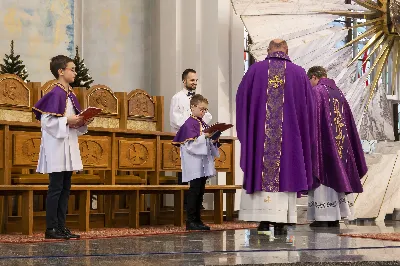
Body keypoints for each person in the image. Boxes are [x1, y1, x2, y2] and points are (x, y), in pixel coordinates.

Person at [236, 39, 316, 233]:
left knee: (261, 169)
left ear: (268, 50)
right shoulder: (299, 73)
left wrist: (250, 131)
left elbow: (241, 101)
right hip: (289, 141)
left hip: (260, 140)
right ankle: (281, 221)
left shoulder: (255, 70)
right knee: (286, 170)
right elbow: (310, 110)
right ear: (286, 50)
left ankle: (262, 221)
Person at [32, 55, 93, 239]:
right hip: (56, 145)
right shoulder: (54, 93)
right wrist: (68, 120)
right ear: (61, 71)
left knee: (66, 187)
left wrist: (82, 120)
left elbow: (73, 121)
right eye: (71, 69)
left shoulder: (71, 94)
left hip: (68, 143)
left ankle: (61, 226)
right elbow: (47, 122)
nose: (75, 72)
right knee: (56, 187)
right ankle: (51, 228)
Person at [306, 66, 367, 227]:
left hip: (324, 144)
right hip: (341, 146)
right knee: (338, 177)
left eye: (309, 81)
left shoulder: (317, 91)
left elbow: (311, 119)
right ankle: (335, 217)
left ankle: (323, 217)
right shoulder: (338, 92)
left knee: (324, 176)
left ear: (313, 77)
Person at [172, 94, 220, 231]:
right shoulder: (189, 123)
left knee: (200, 191)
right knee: (194, 191)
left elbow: (205, 141)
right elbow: (189, 145)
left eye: (205, 110)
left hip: (202, 162)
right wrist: (204, 137)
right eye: (201, 109)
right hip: (193, 162)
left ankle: (198, 220)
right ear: (193, 107)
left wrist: (213, 139)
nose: (204, 112)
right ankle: (191, 220)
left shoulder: (202, 123)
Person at [170, 69, 212, 208]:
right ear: (184, 81)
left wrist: (199, 116)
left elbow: (207, 116)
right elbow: (175, 120)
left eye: (196, 80)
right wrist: (191, 120)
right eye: (191, 80)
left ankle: (196, 205)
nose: (194, 83)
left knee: (199, 173)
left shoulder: (199, 99)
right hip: (184, 139)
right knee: (184, 173)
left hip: (198, 140)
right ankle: (183, 205)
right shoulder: (177, 97)